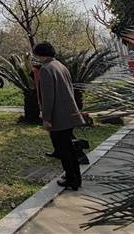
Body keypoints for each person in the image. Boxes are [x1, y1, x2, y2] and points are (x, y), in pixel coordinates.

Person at [33, 41, 87, 191]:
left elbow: (48, 97)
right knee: (69, 148)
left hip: (59, 116)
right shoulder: (60, 66)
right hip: (69, 113)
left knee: (64, 150)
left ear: (39, 54)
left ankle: (72, 179)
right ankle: (75, 177)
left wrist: (46, 118)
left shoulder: (46, 69)